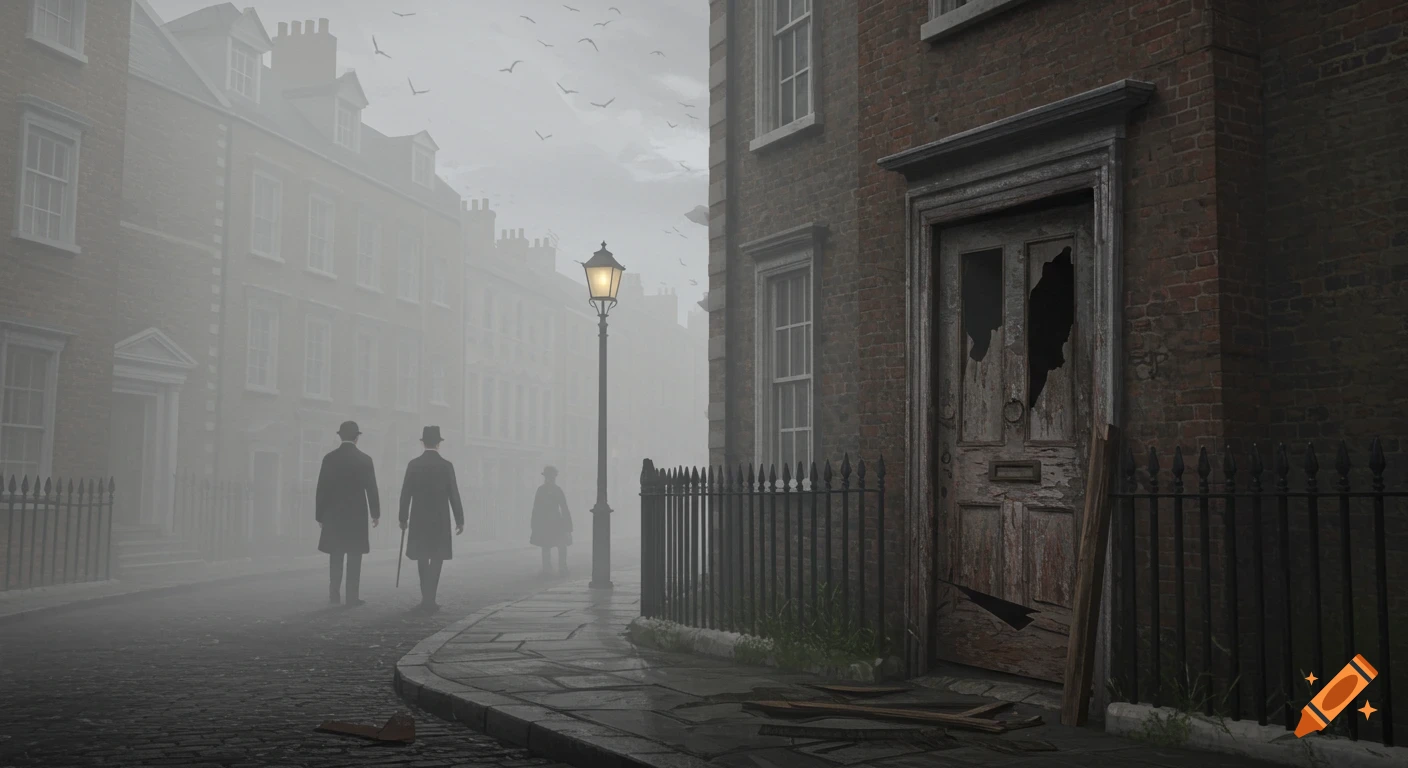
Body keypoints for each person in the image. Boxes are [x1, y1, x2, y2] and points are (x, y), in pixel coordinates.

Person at [398, 426, 464, 614]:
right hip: (440, 519)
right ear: (438, 443)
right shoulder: (446, 466)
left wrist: (403, 517)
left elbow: (405, 493)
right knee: (437, 557)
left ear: (423, 442)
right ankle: (431, 599)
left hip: (419, 518)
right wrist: (459, 519)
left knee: (422, 557)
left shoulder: (413, 464)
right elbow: (454, 494)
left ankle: (425, 598)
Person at [315, 420, 380, 606]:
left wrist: (320, 515)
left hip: (334, 514)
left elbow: (322, 489)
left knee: (335, 556)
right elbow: (372, 489)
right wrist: (375, 513)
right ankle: (352, 597)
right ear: (357, 437)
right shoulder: (365, 460)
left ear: (340, 436)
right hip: (356, 515)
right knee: (354, 556)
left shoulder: (329, 459)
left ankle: (334, 595)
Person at [530, 466, 572, 577]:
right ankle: (551, 569)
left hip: (552, 522)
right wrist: (534, 524)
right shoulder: (545, 490)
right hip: (549, 522)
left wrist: (568, 526)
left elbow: (564, 508)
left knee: (558, 545)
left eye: (551, 477)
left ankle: (559, 568)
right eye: (549, 476)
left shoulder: (550, 490)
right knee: (548, 545)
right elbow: (536, 508)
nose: (550, 479)